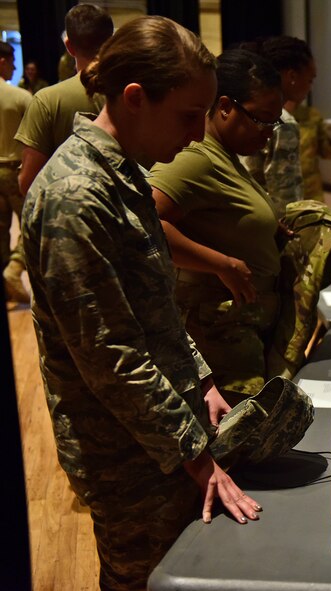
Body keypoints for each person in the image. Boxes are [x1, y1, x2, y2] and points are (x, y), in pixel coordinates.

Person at [20, 17, 310, 590]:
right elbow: (113, 358)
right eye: (186, 115)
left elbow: (156, 310)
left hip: (167, 436)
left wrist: (201, 381)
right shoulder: (77, 197)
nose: (198, 133)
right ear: (134, 99)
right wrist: (195, 455)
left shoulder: (121, 174)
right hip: (130, 451)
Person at [149, 49, 296, 406]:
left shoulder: (226, 155)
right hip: (219, 332)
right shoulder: (196, 158)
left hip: (241, 327)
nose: (268, 134)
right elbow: (144, 223)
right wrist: (219, 263)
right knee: (236, 441)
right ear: (226, 106)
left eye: (274, 122)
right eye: (262, 119)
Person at [7, 3, 113, 302]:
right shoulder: (133, 93)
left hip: (67, 239)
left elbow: (29, 183)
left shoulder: (47, 100)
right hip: (124, 233)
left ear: (69, 45)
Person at [240, 36, 316, 218]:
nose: (310, 88)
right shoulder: (283, 122)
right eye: (310, 80)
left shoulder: (244, 108)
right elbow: (286, 200)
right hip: (265, 227)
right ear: (292, 76)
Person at [0, 41, 32, 303]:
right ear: (2, 62)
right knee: (31, 224)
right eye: (11, 62)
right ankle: (14, 270)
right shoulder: (21, 97)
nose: (13, 67)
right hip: (14, 170)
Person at [289, 99, 331, 202]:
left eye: (310, 82)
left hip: (311, 190)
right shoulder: (271, 113)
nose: (309, 87)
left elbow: (328, 154)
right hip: (281, 190)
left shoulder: (312, 115)